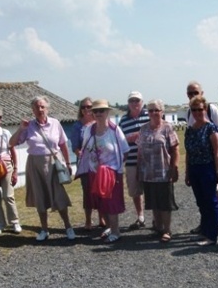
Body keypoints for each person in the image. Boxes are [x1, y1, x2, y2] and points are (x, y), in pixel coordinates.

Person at [10, 96, 74, 242]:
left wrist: (68, 163)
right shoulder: (29, 126)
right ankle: (44, 229)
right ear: (32, 110)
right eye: (36, 107)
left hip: (53, 163)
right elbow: (11, 143)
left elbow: (63, 144)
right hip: (35, 164)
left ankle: (68, 227)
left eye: (42, 107)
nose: (40, 110)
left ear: (47, 108)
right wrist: (21, 129)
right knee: (40, 197)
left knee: (59, 195)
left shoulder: (55, 123)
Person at [78, 99, 130, 243]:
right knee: (101, 202)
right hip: (95, 171)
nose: (98, 113)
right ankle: (109, 227)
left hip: (111, 173)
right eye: (95, 111)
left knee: (111, 202)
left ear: (108, 112)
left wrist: (115, 167)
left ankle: (116, 231)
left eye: (102, 110)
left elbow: (125, 150)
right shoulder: (89, 129)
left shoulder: (114, 130)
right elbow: (85, 149)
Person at [185, 80, 218, 235]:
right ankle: (205, 224)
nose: (193, 95)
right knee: (202, 198)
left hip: (209, 161)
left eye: (196, 92)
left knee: (214, 194)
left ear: (202, 93)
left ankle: (217, 224)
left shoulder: (211, 109)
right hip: (196, 162)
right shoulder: (189, 111)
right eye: (190, 93)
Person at [137, 99, 179, 243]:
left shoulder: (168, 128)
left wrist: (174, 168)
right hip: (148, 173)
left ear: (162, 112)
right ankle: (158, 228)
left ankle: (167, 230)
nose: (154, 113)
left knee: (165, 203)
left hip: (163, 172)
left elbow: (175, 149)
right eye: (150, 110)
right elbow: (139, 151)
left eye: (157, 110)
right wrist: (138, 169)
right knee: (154, 203)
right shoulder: (143, 129)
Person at [71, 97, 105, 231]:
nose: (87, 109)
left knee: (101, 191)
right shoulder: (77, 126)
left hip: (99, 163)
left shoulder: (99, 123)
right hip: (85, 164)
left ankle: (102, 218)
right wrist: (79, 153)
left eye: (89, 107)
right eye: (84, 107)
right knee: (87, 193)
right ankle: (88, 220)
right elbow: (74, 146)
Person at [118, 91, 149, 230]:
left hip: (149, 161)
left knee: (152, 189)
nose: (134, 104)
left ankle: (157, 219)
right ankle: (140, 216)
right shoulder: (123, 120)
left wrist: (138, 135)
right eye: (132, 101)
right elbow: (119, 139)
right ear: (128, 104)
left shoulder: (149, 115)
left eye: (137, 101)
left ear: (142, 102)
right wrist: (127, 138)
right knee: (135, 191)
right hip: (131, 161)